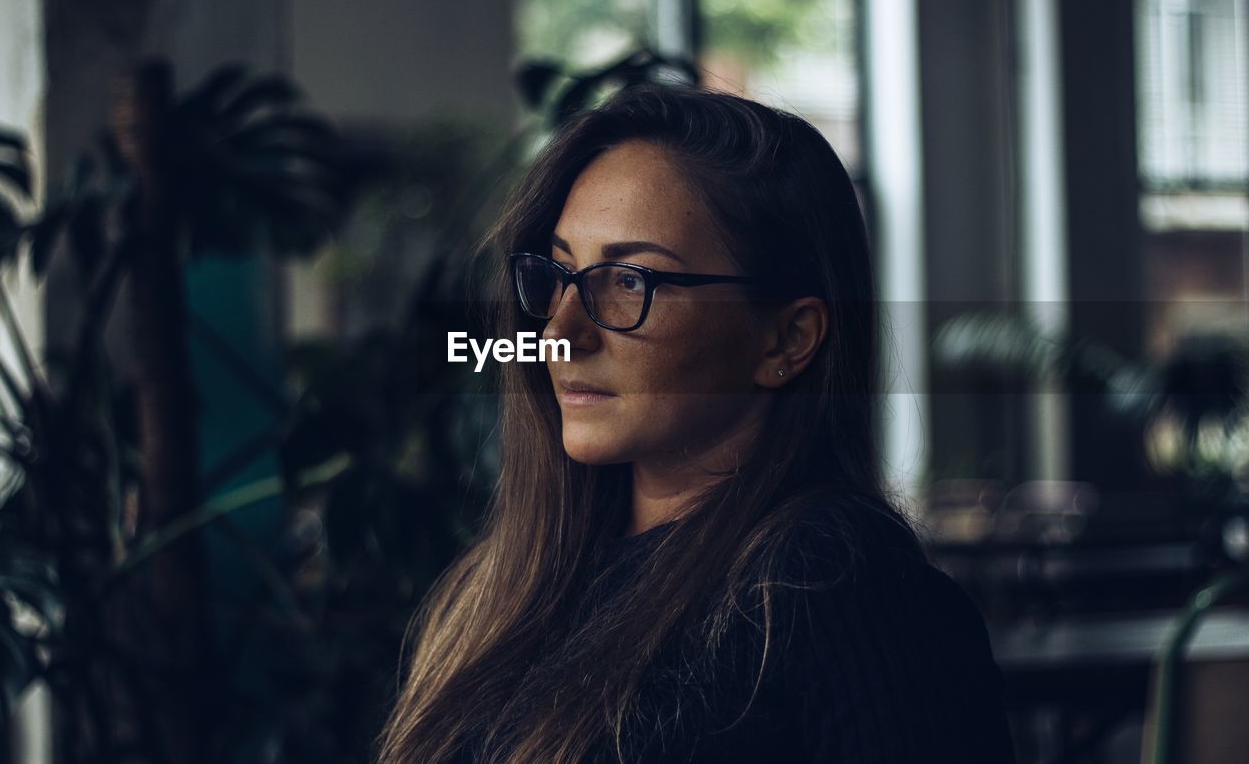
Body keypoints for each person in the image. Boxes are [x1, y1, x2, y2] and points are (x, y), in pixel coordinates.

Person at [374, 82, 1016, 763]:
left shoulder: (844, 596)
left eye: (629, 281)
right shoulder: (509, 582)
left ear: (787, 340)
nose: (560, 331)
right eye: (560, 274)